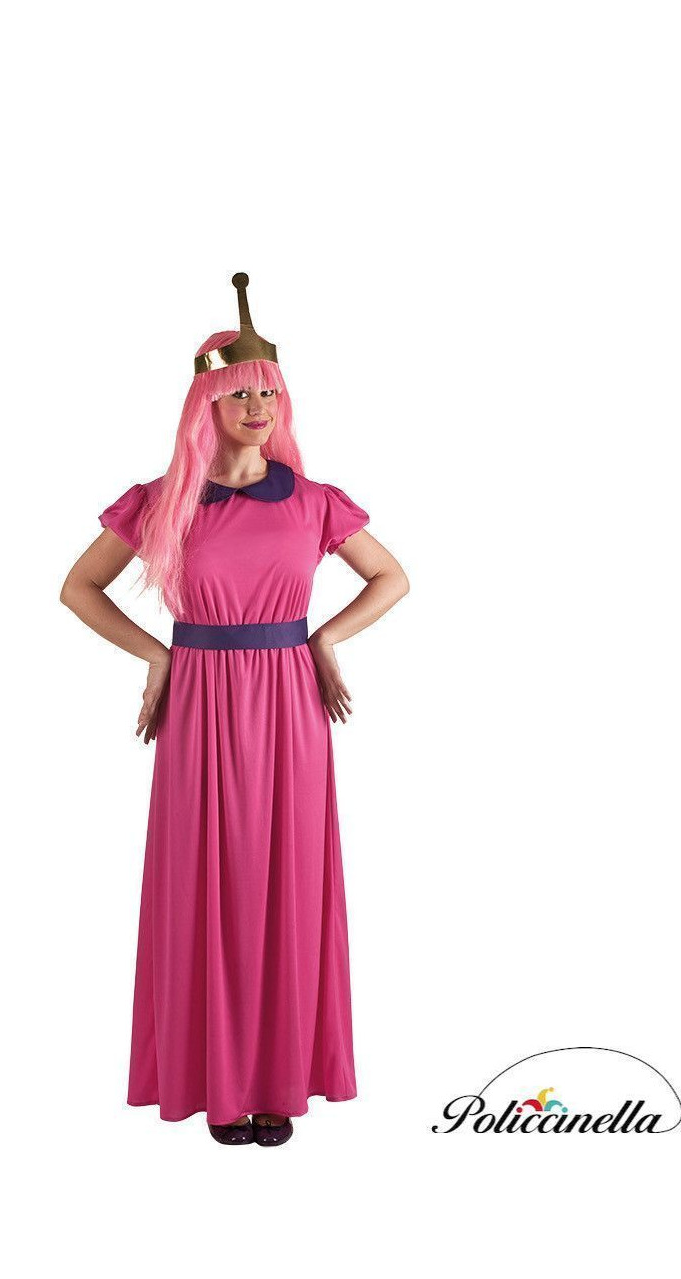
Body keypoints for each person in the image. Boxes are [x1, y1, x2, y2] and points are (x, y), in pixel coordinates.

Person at [61, 274, 409, 1147]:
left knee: (287, 881)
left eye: (269, 394)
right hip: (199, 704)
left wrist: (324, 639)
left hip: (290, 703)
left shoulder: (313, 499)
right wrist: (158, 657)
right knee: (203, 885)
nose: (257, 408)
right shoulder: (161, 502)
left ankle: (279, 1084)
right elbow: (79, 589)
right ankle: (216, 1083)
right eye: (240, 394)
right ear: (206, 406)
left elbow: (390, 577)